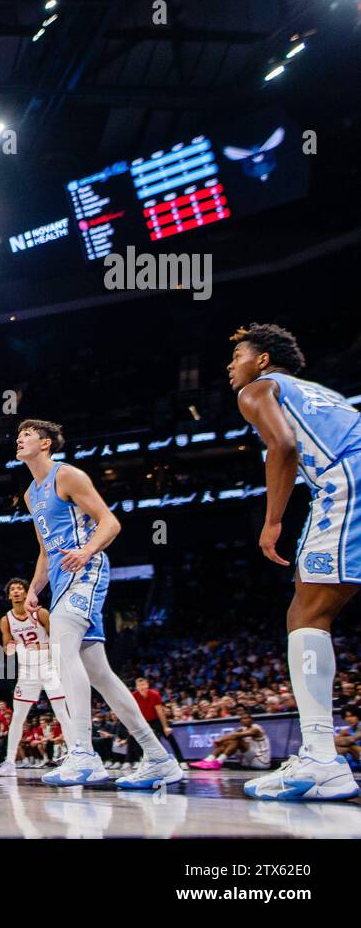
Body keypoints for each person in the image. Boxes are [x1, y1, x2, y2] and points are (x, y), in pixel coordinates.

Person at [227, 324, 360, 801]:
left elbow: (281, 447)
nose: (230, 365)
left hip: (347, 482)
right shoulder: (320, 391)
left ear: (263, 360)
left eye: (238, 355)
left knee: (307, 613)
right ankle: (320, 755)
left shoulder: (257, 390)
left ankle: (323, 758)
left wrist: (273, 519)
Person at [16, 419, 184, 789]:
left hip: (88, 569)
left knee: (61, 645)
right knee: (100, 676)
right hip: (60, 580)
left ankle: (83, 752)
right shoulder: (31, 494)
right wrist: (33, 589)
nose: (19, 440)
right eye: (18, 436)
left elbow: (110, 522)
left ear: (45, 444)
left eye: (26, 435)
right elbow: (45, 550)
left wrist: (87, 550)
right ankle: (158, 758)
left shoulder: (69, 475)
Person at [0, 577, 72, 776]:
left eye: (20, 588)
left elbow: (56, 639)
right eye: (13, 589)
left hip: (48, 665)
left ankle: (75, 756)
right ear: (9, 595)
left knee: (61, 712)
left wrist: (49, 654)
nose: (17, 591)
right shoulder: (6, 620)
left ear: (28, 592)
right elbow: (7, 647)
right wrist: (10, 648)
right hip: (27, 669)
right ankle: (10, 762)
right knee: (18, 717)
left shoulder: (41, 613)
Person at [189, 708, 271, 771]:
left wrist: (220, 739)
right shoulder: (241, 728)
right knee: (229, 741)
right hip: (248, 762)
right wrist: (221, 741)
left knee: (237, 740)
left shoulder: (256, 728)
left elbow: (235, 735)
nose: (244, 720)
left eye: (246, 718)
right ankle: (208, 760)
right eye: (242, 719)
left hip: (261, 762)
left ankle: (218, 762)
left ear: (251, 720)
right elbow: (231, 736)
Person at [130, 677, 184, 764]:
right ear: (136, 687)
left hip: (155, 719)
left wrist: (165, 727)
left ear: (147, 685)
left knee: (170, 737)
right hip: (143, 721)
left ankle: (181, 761)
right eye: (139, 685)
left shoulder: (154, 694)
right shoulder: (134, 696)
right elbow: (133, 712)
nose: (141, 687)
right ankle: (138, 761)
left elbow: (160, 711)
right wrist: (133, 727)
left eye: (143, 684)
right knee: (134, 738)